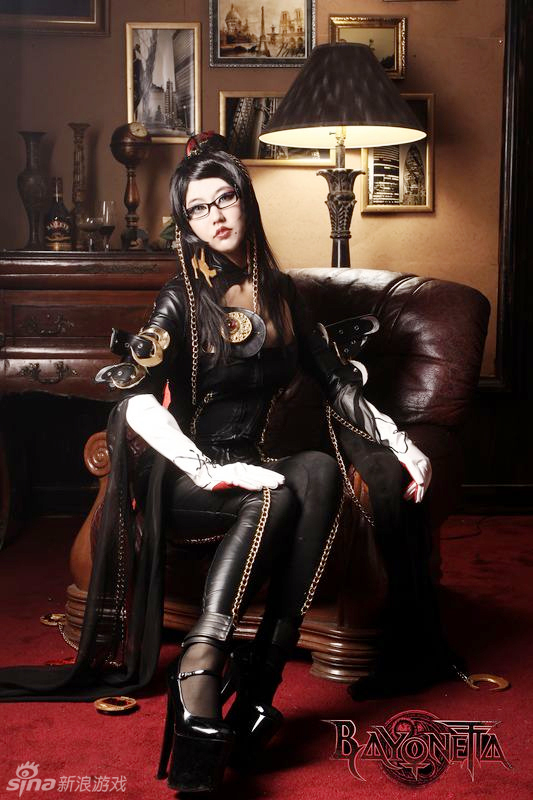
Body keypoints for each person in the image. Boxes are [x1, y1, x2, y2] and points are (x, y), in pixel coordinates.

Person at [0, 133, 459, 793]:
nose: (214, 216)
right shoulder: (181, 297)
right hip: (186, 477)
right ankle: (201, 664)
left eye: (224, 200)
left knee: (316, 472)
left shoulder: (282, 294)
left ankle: (258, 693)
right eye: (197, 208)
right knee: (271, 491)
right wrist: (206, 469)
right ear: (185, 222)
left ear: (246, 201)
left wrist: (403, 446)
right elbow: (136, 401)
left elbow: (337, 384)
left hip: (256, 467)